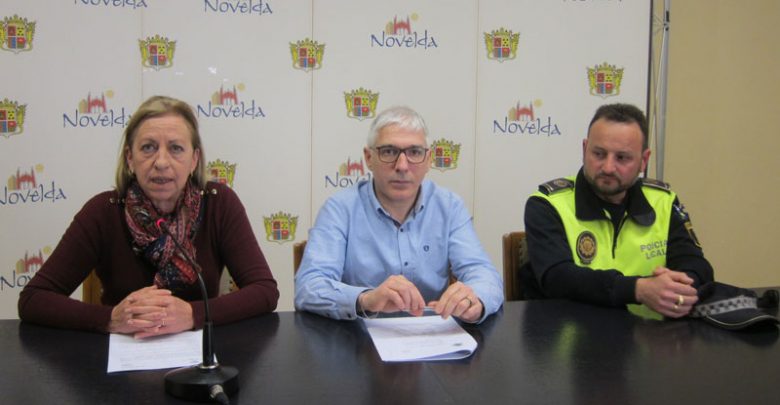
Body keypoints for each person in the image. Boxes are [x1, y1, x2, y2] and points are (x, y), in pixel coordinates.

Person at [18, 96, 279, 338]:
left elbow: (264, 291)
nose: (161, 162)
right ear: (130, 158)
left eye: (176, 148)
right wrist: (110, 319)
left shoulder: (218, 203)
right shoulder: (103, 211)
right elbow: (33, 299)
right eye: (148, 148)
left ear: (194, 159)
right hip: (123, 356)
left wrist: (193, 314)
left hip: (198, 354)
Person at [295, 106, 503, 323]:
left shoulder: (449, 207)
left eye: (414, 152)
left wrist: (474, 300)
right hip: (358, 337)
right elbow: (309, 287)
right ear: (369, 158)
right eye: (388, 152)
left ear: (428, 159)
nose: (402, 166)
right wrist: (366, 299)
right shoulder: (339, 209)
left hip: (433, 335)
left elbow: (484, 274)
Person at [520, 103, 714, 318]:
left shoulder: (663, 202)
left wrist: (678, 285)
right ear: (584, 149)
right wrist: (638, 289)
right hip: (573, 334)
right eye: (599, 154)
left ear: (644, 160)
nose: (608, 167)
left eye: (622, 157)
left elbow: (697, 265)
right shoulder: (548, 204)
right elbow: (558, 278)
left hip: (651, 334)